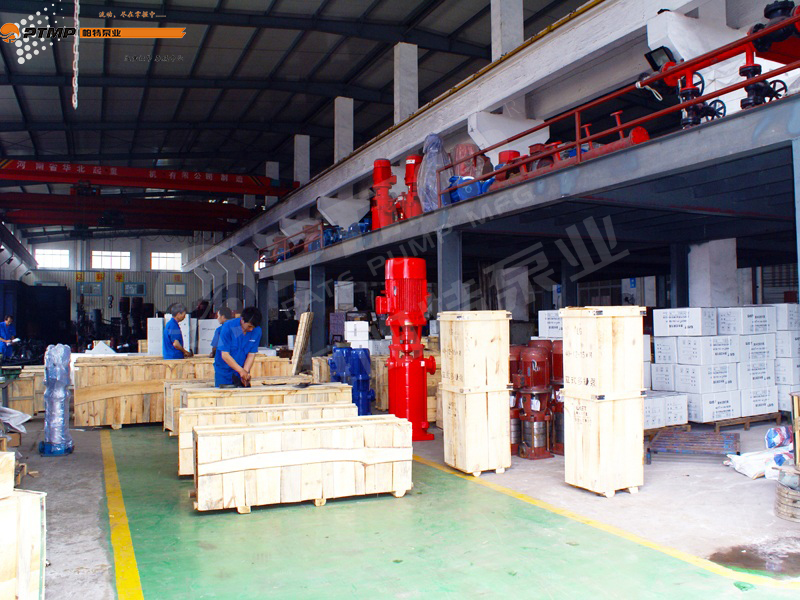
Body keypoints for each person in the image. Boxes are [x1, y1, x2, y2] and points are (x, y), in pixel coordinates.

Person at [214, 307, 263, 387]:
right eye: (249, 326)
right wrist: (241, 371)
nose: (251, 330)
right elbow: (225, 354)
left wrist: (245, 373)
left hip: (241, 371)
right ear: (242, 320)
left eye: (253, 327)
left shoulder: (257, 331)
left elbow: (251, 354)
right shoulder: (228, 327)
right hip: (224, 372)